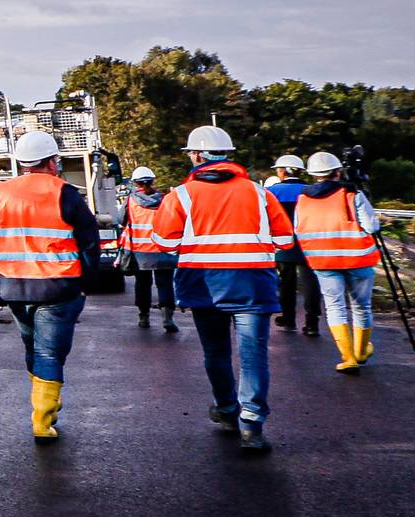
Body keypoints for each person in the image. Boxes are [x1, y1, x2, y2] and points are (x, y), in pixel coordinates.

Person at [156, 126, 297, 453]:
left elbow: (163, 243)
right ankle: (253, 424)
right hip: (252, 285)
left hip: (204, 286)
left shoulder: (181, 195)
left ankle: (227, 410)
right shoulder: (261, 194)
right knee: (253, 356)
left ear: (196, 156)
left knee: (216, 353)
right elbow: (285, 240)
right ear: (228, 156)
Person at [0, 131, 105, 443]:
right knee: (50, 352)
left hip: (12, 287)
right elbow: (89, 240)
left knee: (33, 347)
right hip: (57, 288)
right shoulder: (65, 193)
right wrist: (87, 283)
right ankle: (43, 418)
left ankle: (44, 402)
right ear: (52, 162)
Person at [294, 151, 385, 372]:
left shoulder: (303, 199)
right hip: (357, 259)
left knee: (335, 307)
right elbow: (372, 227)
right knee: (361, 306)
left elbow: (298, 228)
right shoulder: (352, 194)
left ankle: (348, 357)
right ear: (338, 172)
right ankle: (361, 351)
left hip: (323, 262)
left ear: (313, 174)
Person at [264, 155, 323, 337]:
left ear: (282, 171)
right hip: (310, 243)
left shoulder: (272, 191)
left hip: (283, 244)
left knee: (286, 283)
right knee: (311, 282)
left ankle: (288, 318)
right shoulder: (312, 191)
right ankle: (312, 322)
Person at [119, 167, 178, 332]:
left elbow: (119, 219)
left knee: (143, 284)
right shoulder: (165, 199)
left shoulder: (131, 200)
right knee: (165, 284)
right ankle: (167, 318)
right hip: (163, 250)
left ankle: (144, 317)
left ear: (135, 182)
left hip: (140, 252)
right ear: (153, 181)